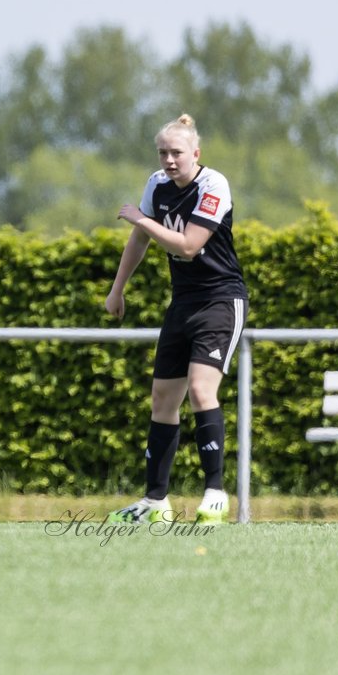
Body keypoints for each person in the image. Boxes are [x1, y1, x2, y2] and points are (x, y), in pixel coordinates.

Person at [104, 113, 248, 525]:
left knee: (203, 391)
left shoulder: (213, 185)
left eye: (177, 153)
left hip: (221, 300)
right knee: (163, 399)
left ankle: (215, 494)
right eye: (163, 152)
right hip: (182, 302)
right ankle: (155, 502)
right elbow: (141, 238)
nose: (169, 160)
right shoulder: (157, 185)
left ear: (196, 154)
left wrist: (141, 218)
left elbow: (188, 245)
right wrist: (118, 289)